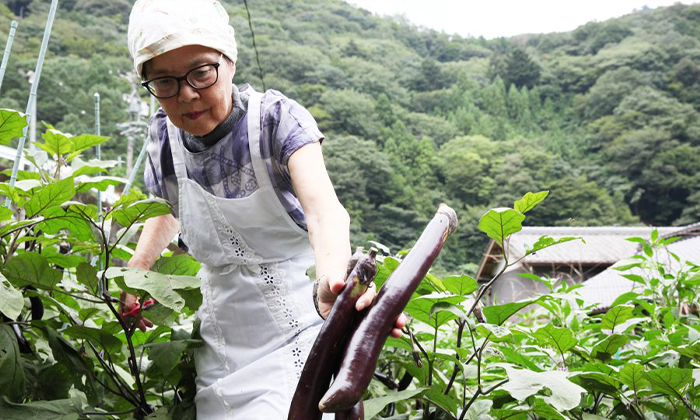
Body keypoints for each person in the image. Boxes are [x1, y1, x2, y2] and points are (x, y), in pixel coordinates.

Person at [122, 1, 406, 418]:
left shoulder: (275, 121)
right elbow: (169, 206)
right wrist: (138, 270)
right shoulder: (164, 138)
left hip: (295, 334)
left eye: (202, 72)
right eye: (164, 81)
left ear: (229, 61)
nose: (187, 94)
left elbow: (324, 212)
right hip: (218, 346)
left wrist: (332, 281)